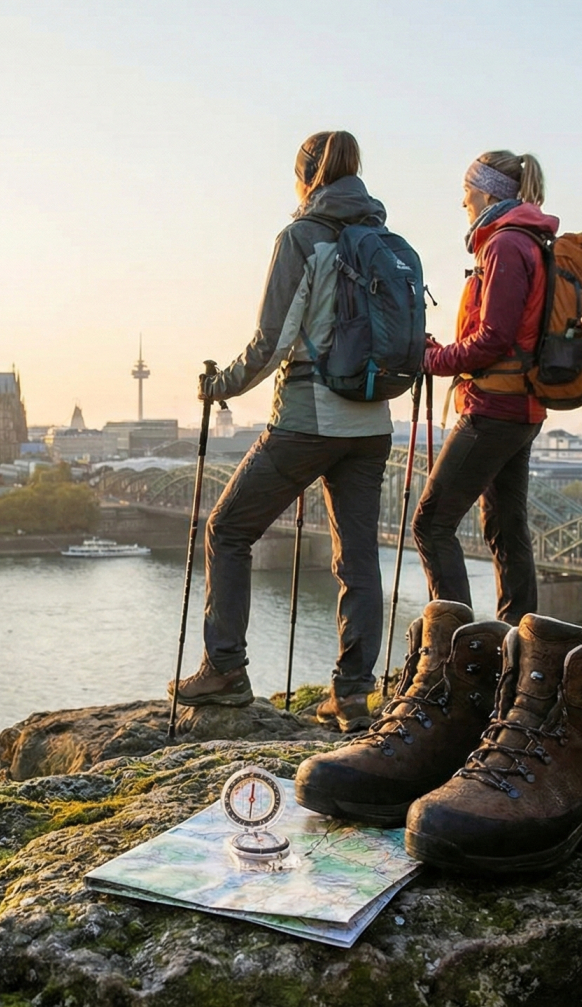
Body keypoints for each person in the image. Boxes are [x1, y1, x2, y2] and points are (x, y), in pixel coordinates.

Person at [170, 131, 392, 731]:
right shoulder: (384, 240)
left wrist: (220, 388)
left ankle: (225, 671)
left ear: (306, 178)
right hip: (372, 425)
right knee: (359, 560)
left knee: (228, 529)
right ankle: (351, 696)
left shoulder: (302, 237)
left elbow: (271, 342)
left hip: (309, 419)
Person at [412, 152, 555, 624]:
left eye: (467, 191)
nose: (463, 202)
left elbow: (493, 339)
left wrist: (432, 358)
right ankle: (520, 642)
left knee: (431, 524)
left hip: (493, 406)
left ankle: (455, 649)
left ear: (490, 192)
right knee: (506, 527)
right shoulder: (529, 240)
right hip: (522, 407)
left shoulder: (504, 246)